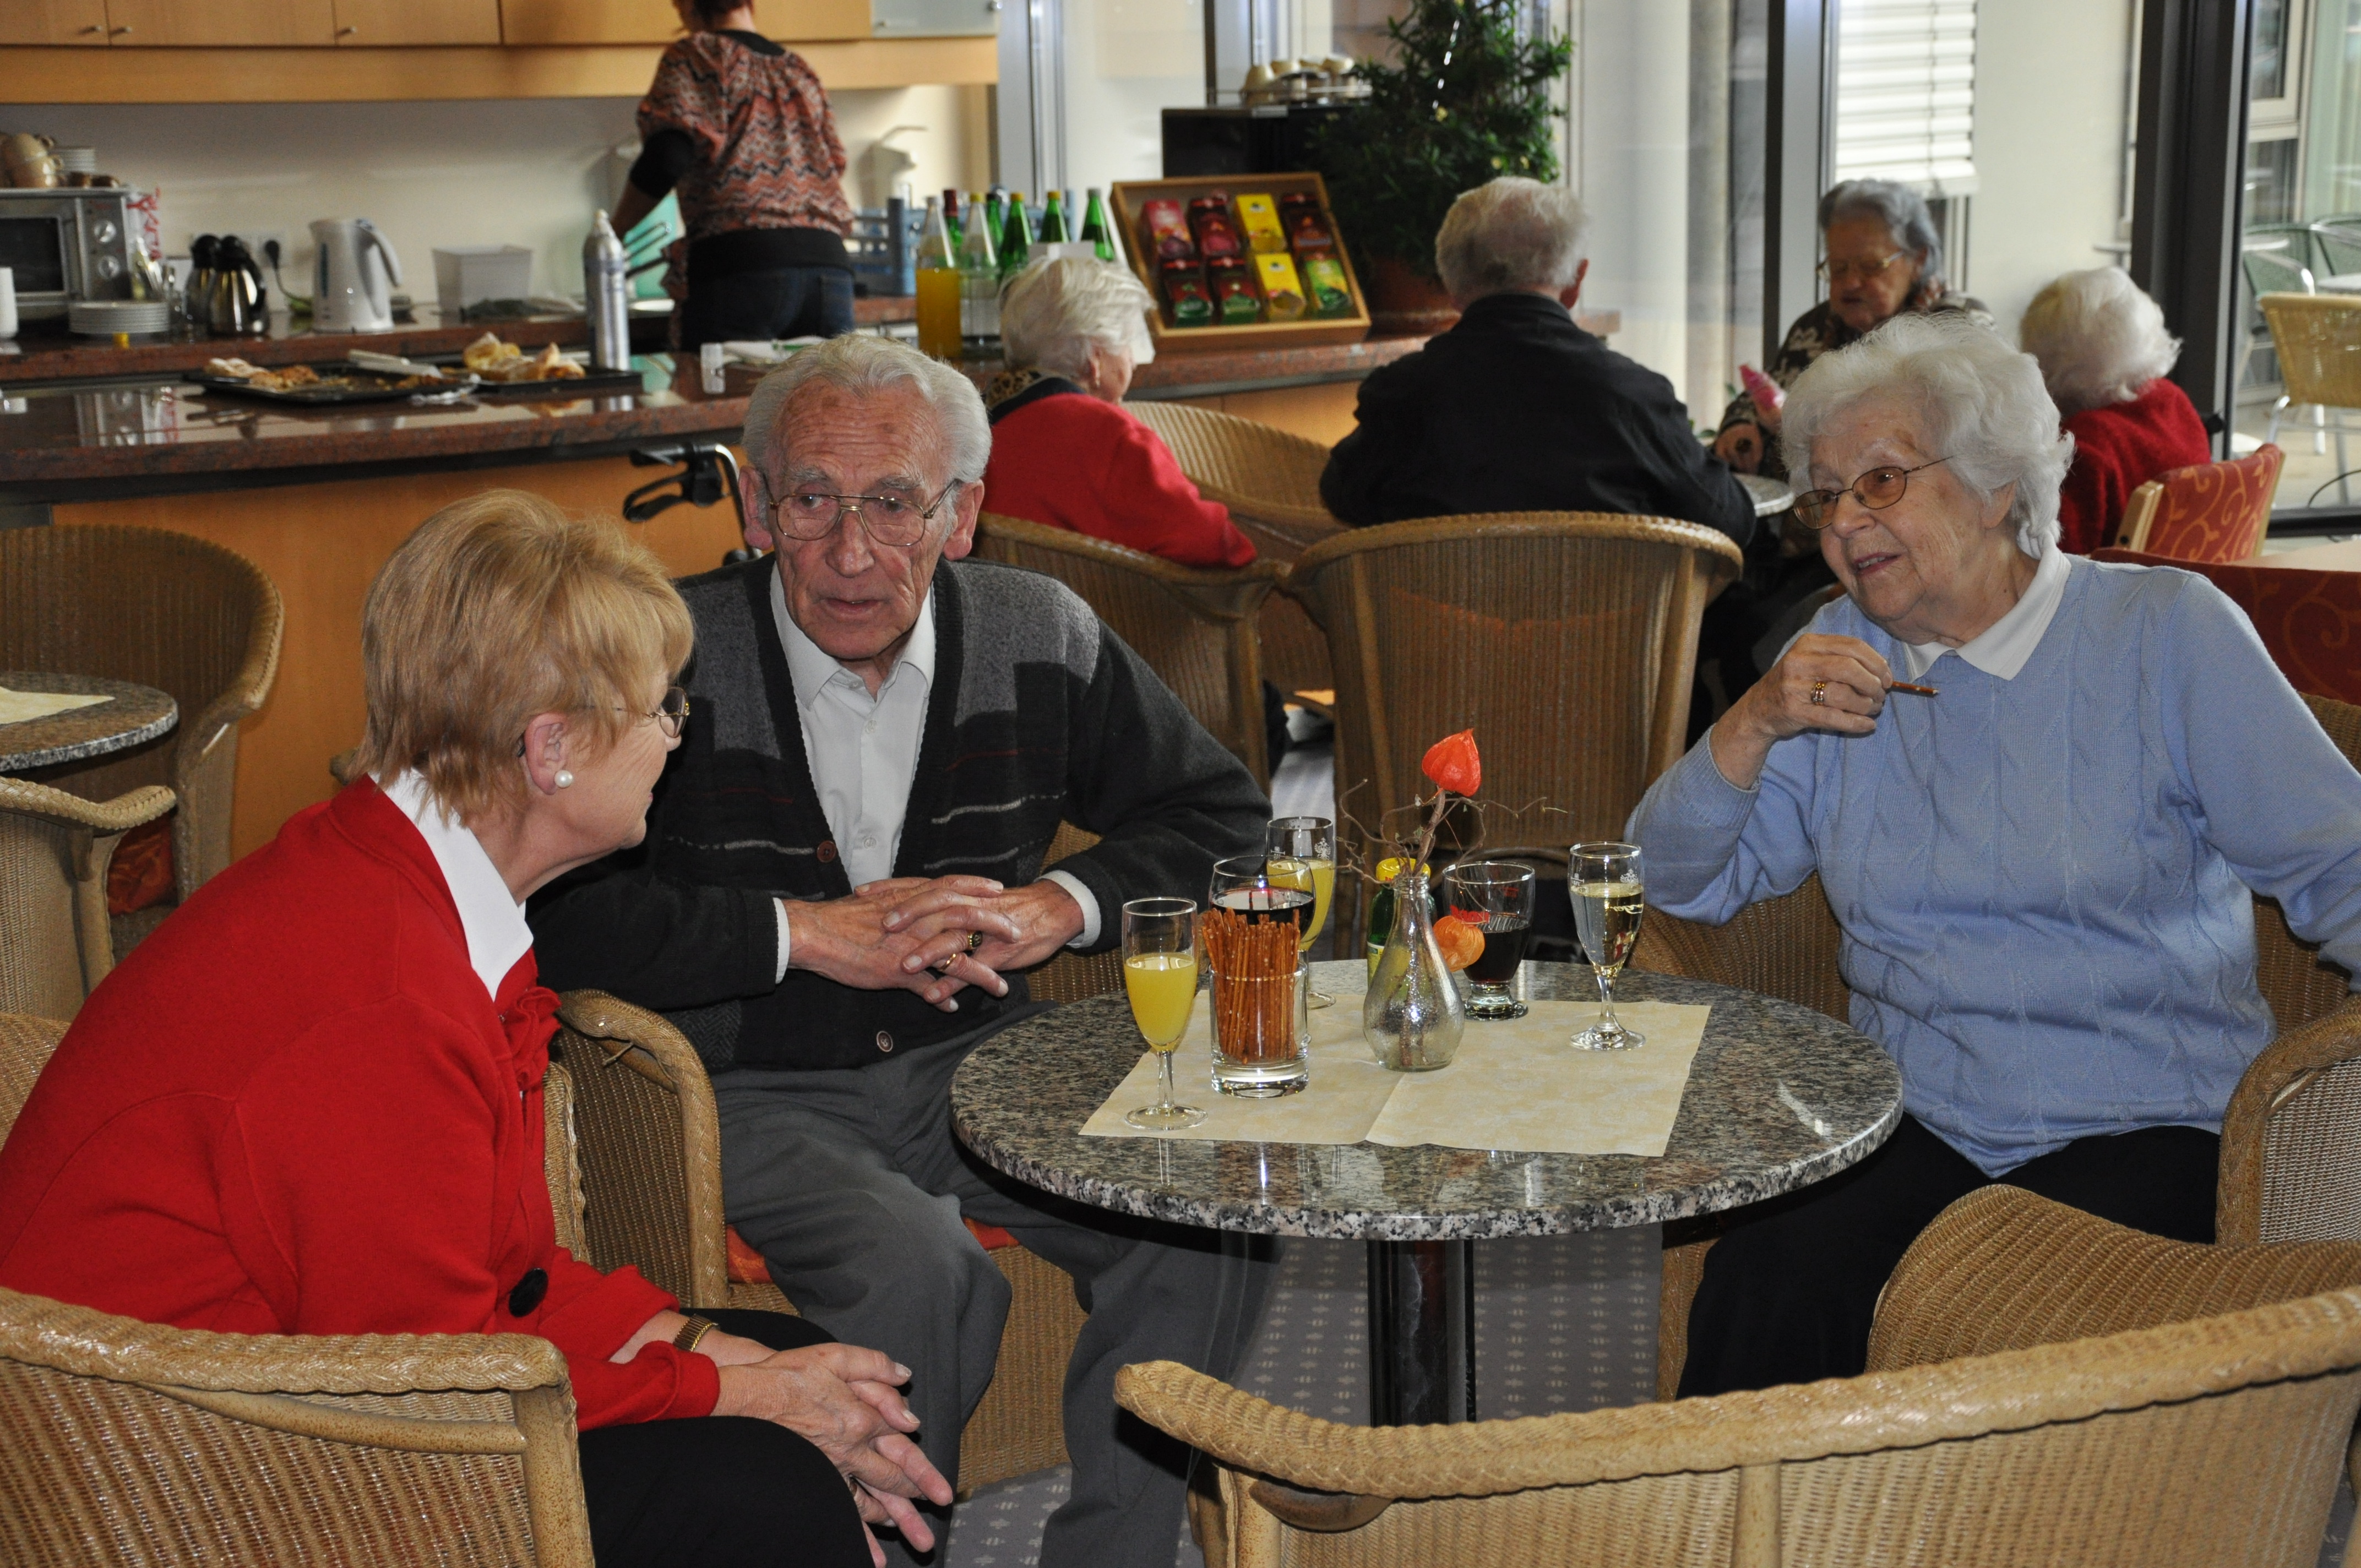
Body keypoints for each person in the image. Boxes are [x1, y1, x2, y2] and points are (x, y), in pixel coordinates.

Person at [0, 492, 951, 1568]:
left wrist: (713, 1351)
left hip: (292, 1382)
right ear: (550, 749)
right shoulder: (380, 998)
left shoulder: (409, 888)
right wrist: (739, 1394)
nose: (674, 736)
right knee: (765, 1479)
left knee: (797, 1363)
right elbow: (441, 1383)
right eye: (659, 708)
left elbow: (508, 1276)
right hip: (168, 1470)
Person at [527, 335, 1274, 1568]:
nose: (850, 552)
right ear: (757, 507)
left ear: (960, 514)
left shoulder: (1039, 632)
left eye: (892, 503)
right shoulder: (661, 654)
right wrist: (799, 934)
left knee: (1206, 1204)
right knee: (918, 1269)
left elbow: (1221, 816)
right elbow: (558, 906)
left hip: (983, 1058)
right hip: (743, 1087)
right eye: (811, 500)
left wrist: (1056, 905)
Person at [1628, 313, 2361, 1399]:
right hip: (1917, 1116)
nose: (1843, 521)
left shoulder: (2162, 634)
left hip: (2153, 1120)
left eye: (1880, 481)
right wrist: (1748, 722)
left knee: (1994, 1291)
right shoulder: (1836, 657)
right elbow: (1668, 880)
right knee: (1769, 1272)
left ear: (1994, 485)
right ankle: (1734, 1501)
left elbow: (2339, 863)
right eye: (1825, 496)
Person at [1317, 176, 1756, 549]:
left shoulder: (1402, 391)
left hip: (1438, 624)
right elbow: (1728, 519)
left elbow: (1344, 496)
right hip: (1608, 626)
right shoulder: (1633, 395)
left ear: (1451, 285)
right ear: (1576, 281)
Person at [982, 256, 1258, 570]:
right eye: (1128, 344)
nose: (1134, 361)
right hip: (1098, 600)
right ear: (1095, 359)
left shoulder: (974, 421)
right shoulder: (1109, 434)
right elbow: (1208, 541)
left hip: (994, 597)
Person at [1709, 179, 1994, 481]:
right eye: (1839, 268)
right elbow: (1766, 392)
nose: (1851, 283)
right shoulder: (1816, 326)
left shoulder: (1960, 326)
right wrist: (1740, 426)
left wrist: (1806, 432)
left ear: (1918, 260)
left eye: (1870, 266)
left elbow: (1975, 440)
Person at [613, 0, 856, 350]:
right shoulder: (800, 70)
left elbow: (667, 158)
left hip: (740, 267)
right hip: (828, 271)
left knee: (720, 387)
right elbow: (835, 161)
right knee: (828, 388)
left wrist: (614, 232)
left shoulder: (698, 55)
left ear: (688, 6)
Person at [2019, 267, 2213, 554]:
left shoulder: (2086, 446)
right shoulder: (2175, 403)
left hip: (2124, 584)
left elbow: (2051, 557)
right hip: (2196, 575)